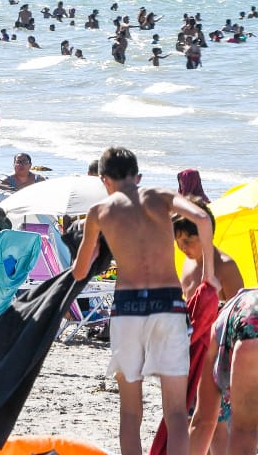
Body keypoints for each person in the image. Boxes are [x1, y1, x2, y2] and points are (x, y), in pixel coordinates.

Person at [71, 146, 217, 455]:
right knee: (175, 413)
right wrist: (209, 275)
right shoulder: (159, 196)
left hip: (127, 310)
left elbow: (80, 272)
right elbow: (203, 218)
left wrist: (93, 251)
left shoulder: (98, 212)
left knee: (130, 413)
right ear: (137, 177)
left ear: (104, 179)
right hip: (168, 306)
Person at [188, 289, 258, 455]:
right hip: (247, 320)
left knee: (244, 431)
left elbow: (203, 422)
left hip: (249, 325)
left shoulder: (216, 330)